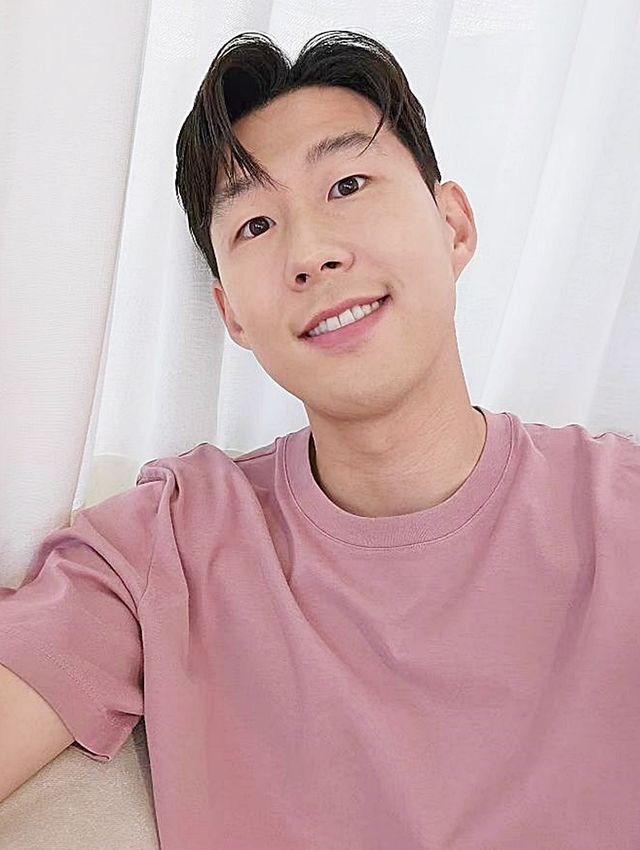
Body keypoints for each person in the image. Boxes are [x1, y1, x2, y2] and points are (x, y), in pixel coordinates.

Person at [1, 28, 639, 850]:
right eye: (255, 226)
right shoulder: (168, 546)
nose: (309, 253)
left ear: (453, 226)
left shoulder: (618, 516)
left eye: (347, 183)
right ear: (232, 313)